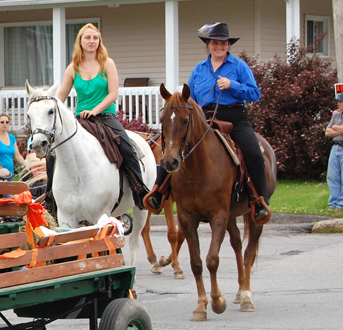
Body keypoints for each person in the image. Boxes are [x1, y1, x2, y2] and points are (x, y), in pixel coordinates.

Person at [145, 22, 271, 223]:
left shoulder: (239, 67)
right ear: (209, 45)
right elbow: (191, 100)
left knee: (254, 152)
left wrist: (233, 85)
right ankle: (158, 192)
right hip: (204, 117)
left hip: (234, 117)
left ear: (229, 45)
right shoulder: (199, 70)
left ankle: (259, 200)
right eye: (215, 43)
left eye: (223, 43)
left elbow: (255, 93)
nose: (219, 47)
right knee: (171, 145)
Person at [54, 23, 149, 206]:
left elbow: (113, 94)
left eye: (95, 38)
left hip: (105, 116)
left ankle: (138, 189)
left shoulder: (107, 63)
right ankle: (51, 196)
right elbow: (60, 96)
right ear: (80, 41)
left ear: (99, 41)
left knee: (127, 147)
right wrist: (46, 102)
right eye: (87, 37)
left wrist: (95, 111)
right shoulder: (73, 68)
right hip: (81, 120)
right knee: (55, 152)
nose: (92, 41)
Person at [0, 114, 28, 180]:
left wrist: (26, 165)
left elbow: (17, 155)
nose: (4, 124)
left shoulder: (12, 138)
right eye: (2, 122)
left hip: (10, 173)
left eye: (7, 122)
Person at [325, 92, 343, 212]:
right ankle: (333, 203)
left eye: (340, 102)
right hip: (335, 147)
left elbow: (333, 129)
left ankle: (341, 204)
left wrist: (335, 128)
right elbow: (327, 132)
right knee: (332, 176)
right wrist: (339, 129)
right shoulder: (336, 116)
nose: (338, 104)